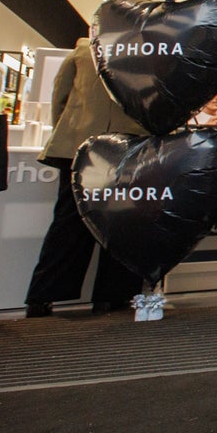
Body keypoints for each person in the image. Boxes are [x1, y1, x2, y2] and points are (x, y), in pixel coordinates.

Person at [24, 38, 146, 317]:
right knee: (123, 222)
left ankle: (43, 297)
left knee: (69, 221)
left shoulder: (83, 49)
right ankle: (112, 296)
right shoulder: (146, 52)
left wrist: (66, 135)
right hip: (129, 145)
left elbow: (61, 97)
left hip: (79, 146)